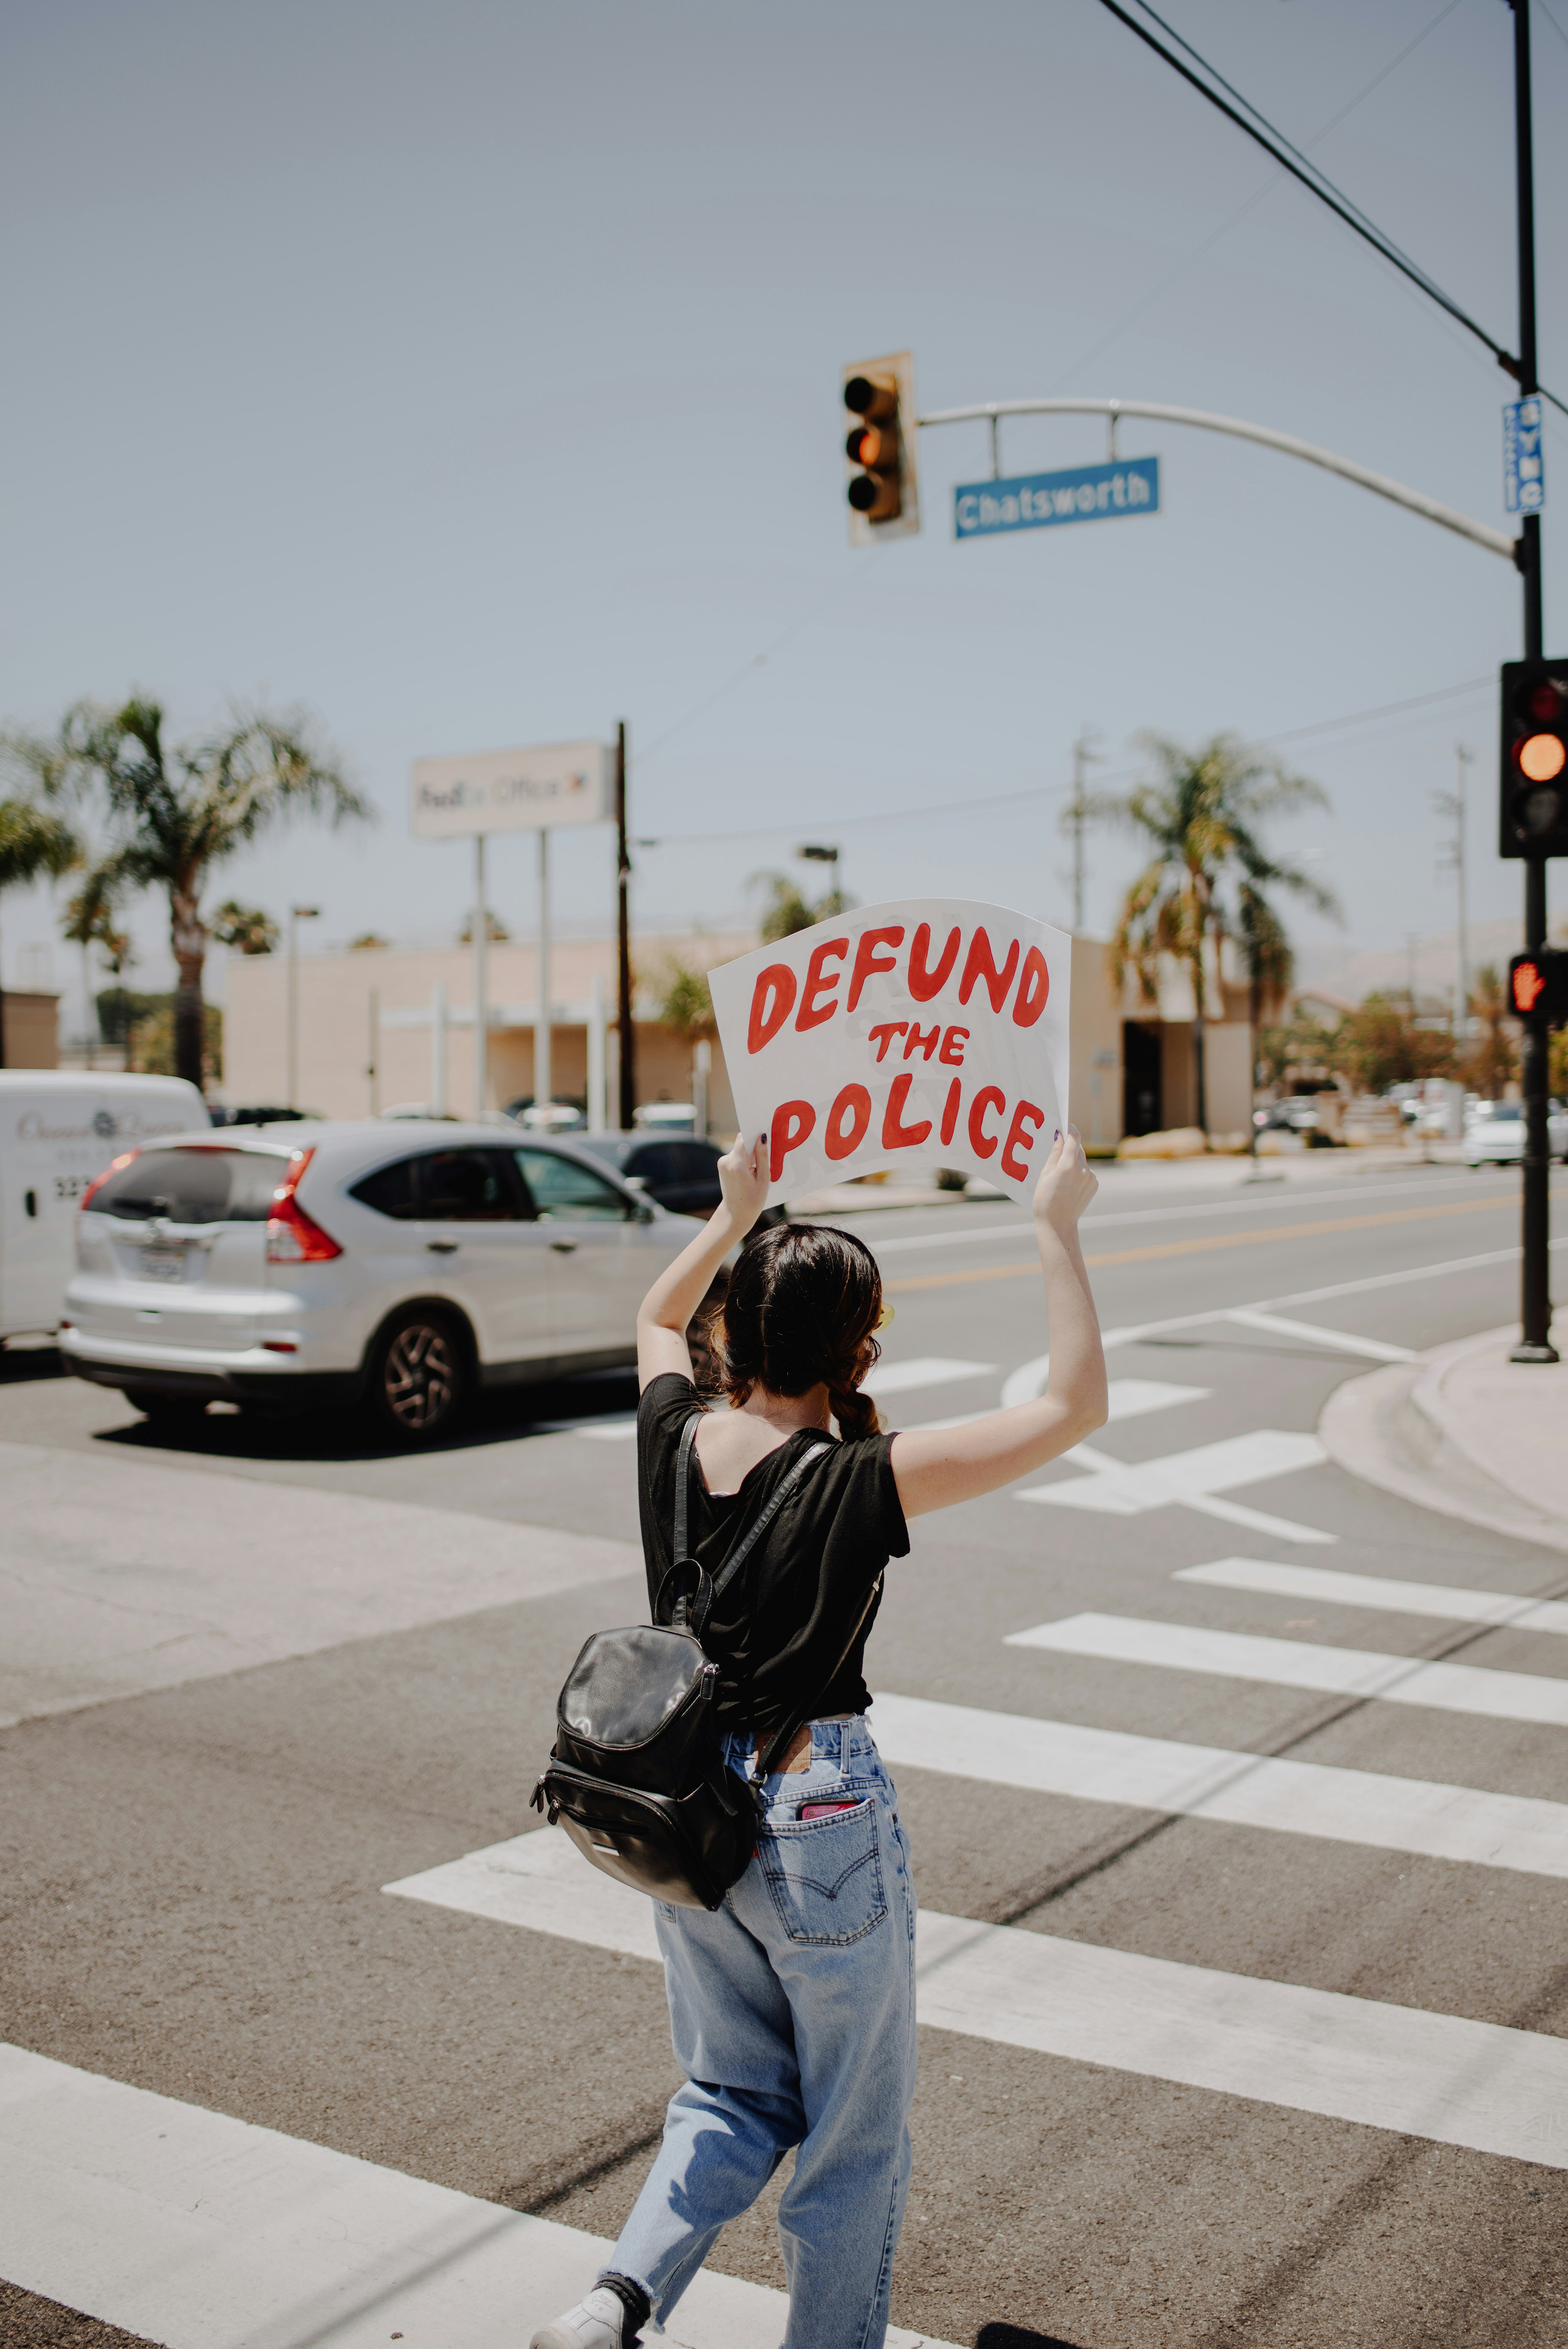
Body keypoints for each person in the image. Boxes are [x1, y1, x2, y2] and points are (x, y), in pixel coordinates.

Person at [531, 1125, 1106, 2349]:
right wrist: (1052, 1228)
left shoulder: (671, 1436)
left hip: (683, 1814)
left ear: (730, 1334)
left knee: (728, 2090)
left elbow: (651, 1319)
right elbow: (1070, 1406)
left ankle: (614, 2300)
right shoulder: (861, 1477)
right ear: (857, 1347)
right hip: (814, 1814)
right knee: (852, 2141)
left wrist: (730, 1218)